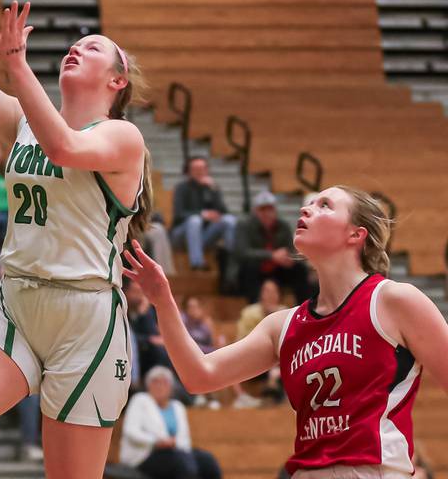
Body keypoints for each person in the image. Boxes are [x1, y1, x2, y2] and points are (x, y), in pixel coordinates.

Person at [0, 0, 151, 479]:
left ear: (117, 80)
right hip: (18, 303)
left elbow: (65, 146)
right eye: (76, 43)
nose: (77, 47)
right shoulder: (24, 120)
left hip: (86, 316)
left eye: (93, 46)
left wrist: (17, 66)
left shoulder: (123, 138)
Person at [123, 186, 448, 478]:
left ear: (355, 235)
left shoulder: (393, 300)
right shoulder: (284, 325)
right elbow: (200, 376)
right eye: (308, 203)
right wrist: (163, 302)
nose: (306, 209)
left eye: (324, 205)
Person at [120, 366, 222, 479]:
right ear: (148, 386)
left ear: (171, 387)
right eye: (155, 382)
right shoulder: (140, 400)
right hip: (145, 456)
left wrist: (173, 444)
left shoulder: (178, 407)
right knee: (182, 464)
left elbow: (185, 439)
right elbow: (131, 431)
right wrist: (156, 442)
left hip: (176, 452)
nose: (160, 386)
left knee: (207, 461)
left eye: (164, 382)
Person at [234, 191, 313, 305]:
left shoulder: (283, 226)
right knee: (249, 268)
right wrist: (271, 255)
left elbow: (290, 249)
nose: (267, 213)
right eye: (262, 210)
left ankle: (304, 306)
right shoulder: (244, 225)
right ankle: (255, 306)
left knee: (299, 269)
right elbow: (241, 253)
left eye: (269, 209)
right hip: (255, 270)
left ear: (275, 210)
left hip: (277, 270)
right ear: (256, 211)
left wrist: (288, 258)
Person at [169, 157, 236, 270]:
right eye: (196, 169)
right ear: (188, 172)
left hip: (204, 235)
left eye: (203, 168)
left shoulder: (212, 187)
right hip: (181, 234)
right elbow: (178, 215)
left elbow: (223, 212)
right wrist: (202, 214)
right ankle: (197, 262)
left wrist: (214, 190)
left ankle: (233, 262)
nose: (200, 172)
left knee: (229, 220)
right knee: (195, 220)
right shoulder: (181, 188)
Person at [233, 278, 287, 407]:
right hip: (254, 358)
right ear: (261, 294)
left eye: (274, 292)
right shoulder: (249, 313)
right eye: (266, 291)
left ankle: (274, 387)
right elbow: (241, 341)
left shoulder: (285, 312)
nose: (270, 295)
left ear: (278, 295)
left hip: (280, 360)